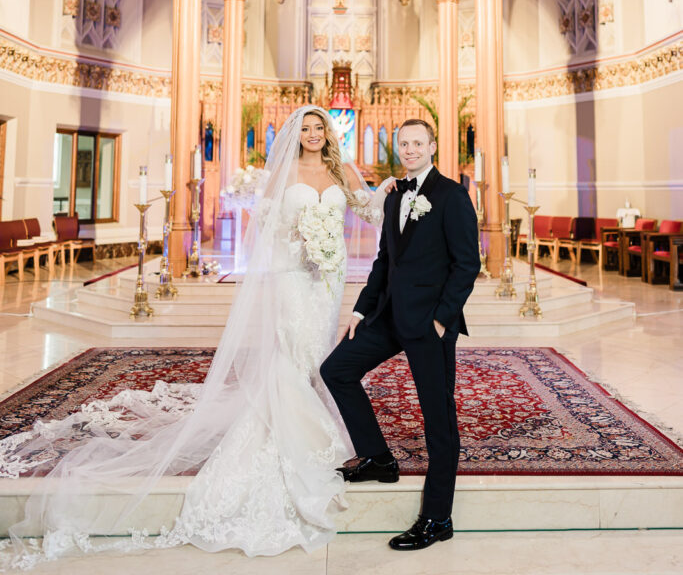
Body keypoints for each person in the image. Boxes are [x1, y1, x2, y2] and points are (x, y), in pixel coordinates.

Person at [0, 107, 389, 567]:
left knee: (318, 354)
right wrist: (298, 239)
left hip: (327, 279)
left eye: (318, 127)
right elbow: (264, 227)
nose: (311, 134)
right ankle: (300, 434)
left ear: (328, 132)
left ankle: (314, 416)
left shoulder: (341, 169)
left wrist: (387, 191)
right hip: (291, 276)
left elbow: (365, 210)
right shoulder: (283, 172)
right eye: (304, 128)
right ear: (294, 134)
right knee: (292, 351)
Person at [321, 118, 480, 552]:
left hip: (430, 323)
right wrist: (361, 309)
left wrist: (443, 319)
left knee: (438, 417)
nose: (409, 149)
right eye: (403, 143)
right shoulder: (394, 196)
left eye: (417, 143)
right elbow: (384, 261)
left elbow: (467, 264)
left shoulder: (452, 195)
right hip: (389, 315)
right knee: (336, 369)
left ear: (432, 145)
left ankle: (437, 518)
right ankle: (377, 457)